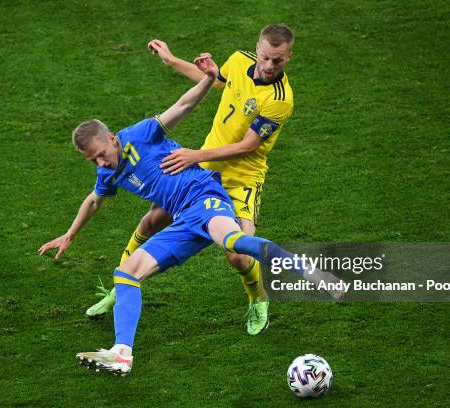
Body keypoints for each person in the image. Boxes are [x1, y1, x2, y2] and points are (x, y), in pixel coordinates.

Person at [38, 55, 331, 376]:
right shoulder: (107, 172)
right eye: (93, 161)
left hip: (205, 196)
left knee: (235, 243)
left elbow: (181, 107)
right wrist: (70, 234)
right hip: (183, 219)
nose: (101, 165)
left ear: (112, 139)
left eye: (102, 156)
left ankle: (309, 272)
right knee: (125, 272)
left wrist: (208, 79)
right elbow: (93, 201)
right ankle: (121, 354)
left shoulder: (138, 134)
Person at [86, 24, 295, 336]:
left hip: (241, 178)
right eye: (265, 57)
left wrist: (196, 154)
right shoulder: (239, 60)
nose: (268, 66)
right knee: (149, 223)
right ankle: (122, 285)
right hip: (202, 170)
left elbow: (248, 146)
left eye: (277, 61)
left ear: (288, 57)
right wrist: (171, 60)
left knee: (237, 255)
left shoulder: (279, 99)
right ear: (257, 47)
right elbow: (215, 83)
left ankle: (258, 298)